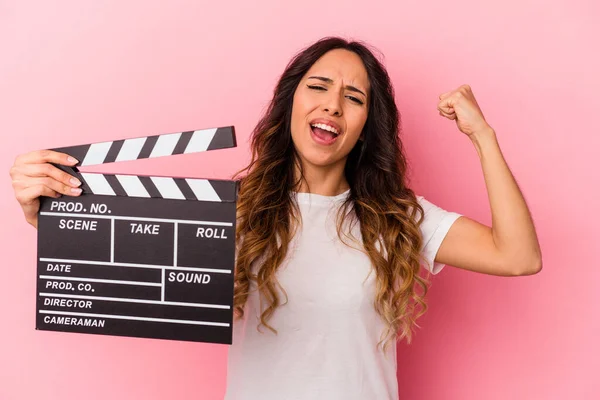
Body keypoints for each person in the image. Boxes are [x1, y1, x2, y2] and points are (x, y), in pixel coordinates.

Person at [10, 37, 542, 400]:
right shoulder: (231, 212)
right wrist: (47, 212)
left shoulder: (396, 217)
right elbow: (127, 255)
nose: (332, 104)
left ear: (365, 126)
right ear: (291, 103)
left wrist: (483, 136)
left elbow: (517, 256)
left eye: (353, 97)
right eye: (318, 86)